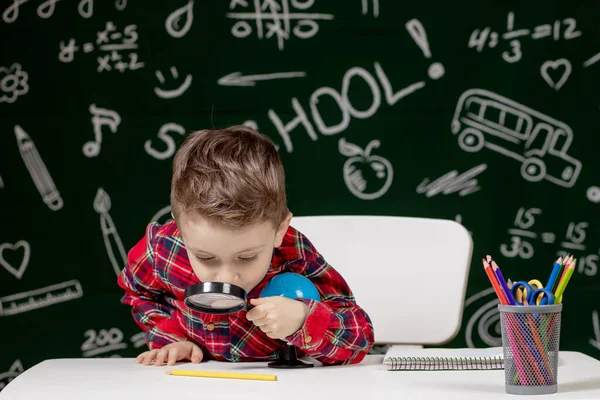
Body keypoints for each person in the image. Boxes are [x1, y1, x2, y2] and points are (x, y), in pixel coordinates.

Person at [117, 125, 374, 367]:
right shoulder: (164, 246)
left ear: (279, 229)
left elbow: (360, 335)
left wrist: (303, 321)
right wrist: (173, 338)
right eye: (206, 257)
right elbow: (138, 293)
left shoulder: (295, 255)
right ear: (180, 229)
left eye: (247, 257)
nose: (228, 278)